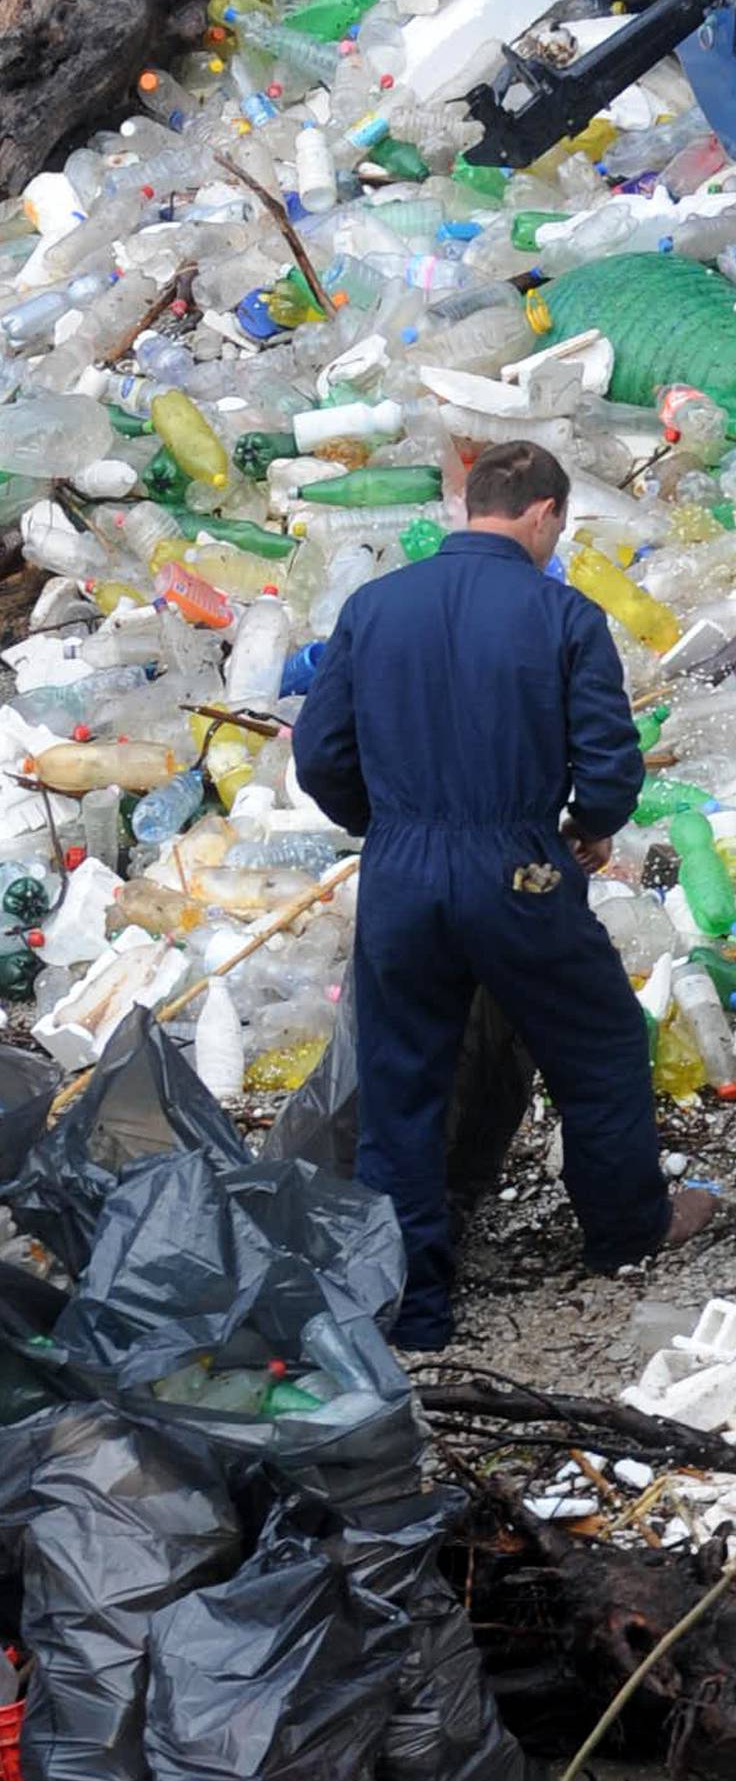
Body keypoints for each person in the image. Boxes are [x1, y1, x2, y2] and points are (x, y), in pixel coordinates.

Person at [293, 436, 719, 1351]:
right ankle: (624, 1230)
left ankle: (414, 1308)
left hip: (401, 870)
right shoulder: (563, 614)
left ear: (468, 504)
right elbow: (607, 762)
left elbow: (319, 755)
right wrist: (590, 827)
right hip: (518, 866)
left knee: (402, 1082)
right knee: (597, 1043)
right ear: (546, 514)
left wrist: (393, 826)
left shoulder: (374, 607)